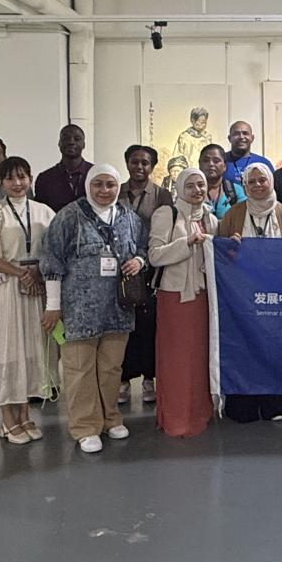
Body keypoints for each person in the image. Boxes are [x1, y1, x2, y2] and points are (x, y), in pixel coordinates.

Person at [40, 165, 148, 453]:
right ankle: (85, 427)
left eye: (110, 185)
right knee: (79, 369)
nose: (104, 190)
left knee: (111, 369)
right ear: (88, 186)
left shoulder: (128, 217)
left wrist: (139, 261)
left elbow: (143, 249)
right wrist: (53, 306)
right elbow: (51, 261)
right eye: (98, 184)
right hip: (78, 310)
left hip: (117, 309)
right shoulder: (68, 216)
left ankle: (111, 418)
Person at [0, 156, 56, 444]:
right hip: (6, 288)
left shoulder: (45, 212)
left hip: (36, 288)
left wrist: (37, 271)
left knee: (32, 352)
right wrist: (20, 272)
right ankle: (7, 419)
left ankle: (25, 414)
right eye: (10, 178)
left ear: (30, 179)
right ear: (1, 182)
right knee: (6, 352)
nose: (17, 183)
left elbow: (54, 250)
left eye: (22, 177)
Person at [216, 161, 282, 423]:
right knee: (244, 348)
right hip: (242, 297)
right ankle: (244, 406)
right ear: (244, 185)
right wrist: (231, 248)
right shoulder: (233, 214)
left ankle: (276, 404)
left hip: (276, 295)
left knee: (276, 349)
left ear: (270, 182)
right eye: (251, 182)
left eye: (262, 180)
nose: (258, 185)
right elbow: (219, 253)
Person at [149, 168, 218, 437]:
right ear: (179, 188)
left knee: (200, 358)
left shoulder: (211, 219)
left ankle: (200, 412)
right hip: (175, 297)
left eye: (200, 185)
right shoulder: (167, 214)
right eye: (190, 185)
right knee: (176, 359)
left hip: (203, 298)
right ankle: (177, 418)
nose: (197, 190)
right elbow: (155, 256)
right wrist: (187, 242)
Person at [118, 144, 174, 406]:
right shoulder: (116, 192)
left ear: (152, 167)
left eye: (145, 163)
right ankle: (123, 380)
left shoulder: (162, 195)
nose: (140, 167)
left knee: (149, 327)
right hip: (120, 268)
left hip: (150, 269)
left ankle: (150, 379)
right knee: (123, 326)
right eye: (135, 162)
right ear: (127, 163)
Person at [34, 124, 93, 212]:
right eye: (66, 138)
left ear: (84, 144)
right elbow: (40, 213)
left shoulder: (95, 174)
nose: (71, 142)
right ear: (59, 143)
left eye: (77, 139)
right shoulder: (45, 178)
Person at [200, 143, 243, 219]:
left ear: (224, 167)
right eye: (206, 160)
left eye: (216, 161)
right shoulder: (192, 190)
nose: (211, 164)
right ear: (199, 164)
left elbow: (243, 218)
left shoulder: (236, 190)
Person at [223, 120, 272, 186]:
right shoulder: (221, 161)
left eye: (245, 133)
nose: (241, 137)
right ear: (229, 138)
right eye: (236, 134)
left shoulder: (263, 163)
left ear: (252, 138)